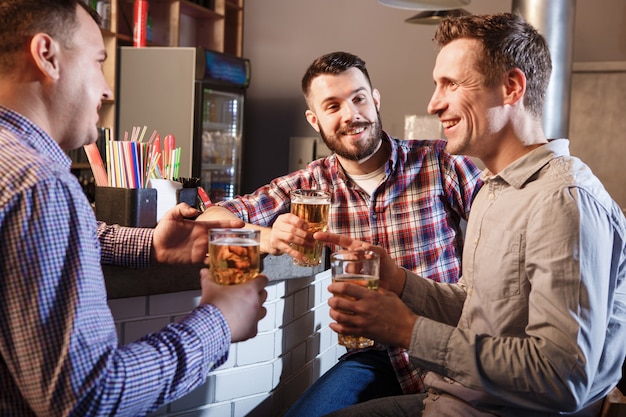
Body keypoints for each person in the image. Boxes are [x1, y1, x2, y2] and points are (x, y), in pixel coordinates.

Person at [315, 12, 626, 417]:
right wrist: (400, 282)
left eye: (452, 84)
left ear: (511, 87)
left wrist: (406, 330)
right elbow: (479, 307)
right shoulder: (495, 189)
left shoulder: (563, 201)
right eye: (436, 84)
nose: (433, 103)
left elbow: (561, 376)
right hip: (448, 398)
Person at [0, 1, 268, 415]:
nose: (107, 89)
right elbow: (89, 397)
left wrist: (150, 246)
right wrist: (221, 318)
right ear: (46, 56)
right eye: (98, 62)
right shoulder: (40, 185)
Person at [197, 51, 482, 415]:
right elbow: (210, 221)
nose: (351, 114)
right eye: (333, 106)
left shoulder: (440, 162)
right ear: (315, 120)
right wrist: (267, 238)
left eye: (358, 98)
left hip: (444, 347)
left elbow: (504, 226)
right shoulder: (308, 184)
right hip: (374, 357)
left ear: (375, 100)